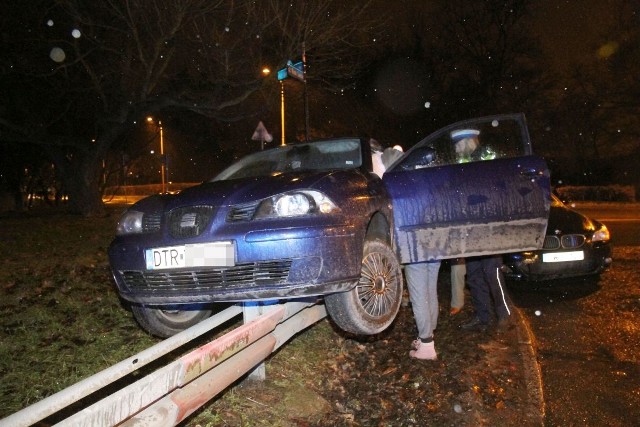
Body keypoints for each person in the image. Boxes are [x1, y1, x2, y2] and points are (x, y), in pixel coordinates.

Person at [460, 255, 512, 331]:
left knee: (494, 279)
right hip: (471, 248)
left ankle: (504, 315)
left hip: (490, 248)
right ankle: (482, 317)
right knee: (475, 281)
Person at [404, 261, 441, 360]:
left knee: (419, 295)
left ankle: (426, 346)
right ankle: (428, 336)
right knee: (430, 290)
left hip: (415, 250)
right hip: (436, 248)